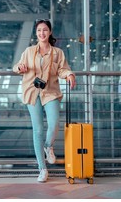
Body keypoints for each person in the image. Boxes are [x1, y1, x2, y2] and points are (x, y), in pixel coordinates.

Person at [13, 19, 76, 183]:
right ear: (36, 33)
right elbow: (17, 66)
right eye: (39, 30)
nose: (42, 33)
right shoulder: (28, 51)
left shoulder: (57, 53)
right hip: (32, 92)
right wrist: (20, 68)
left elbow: (62, 69)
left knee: (54, 124)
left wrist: (69, 75)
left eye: (45, 30)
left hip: (51, 92)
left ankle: (48, 145)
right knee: (38, 130)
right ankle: (42, 169)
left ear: (50, 32)